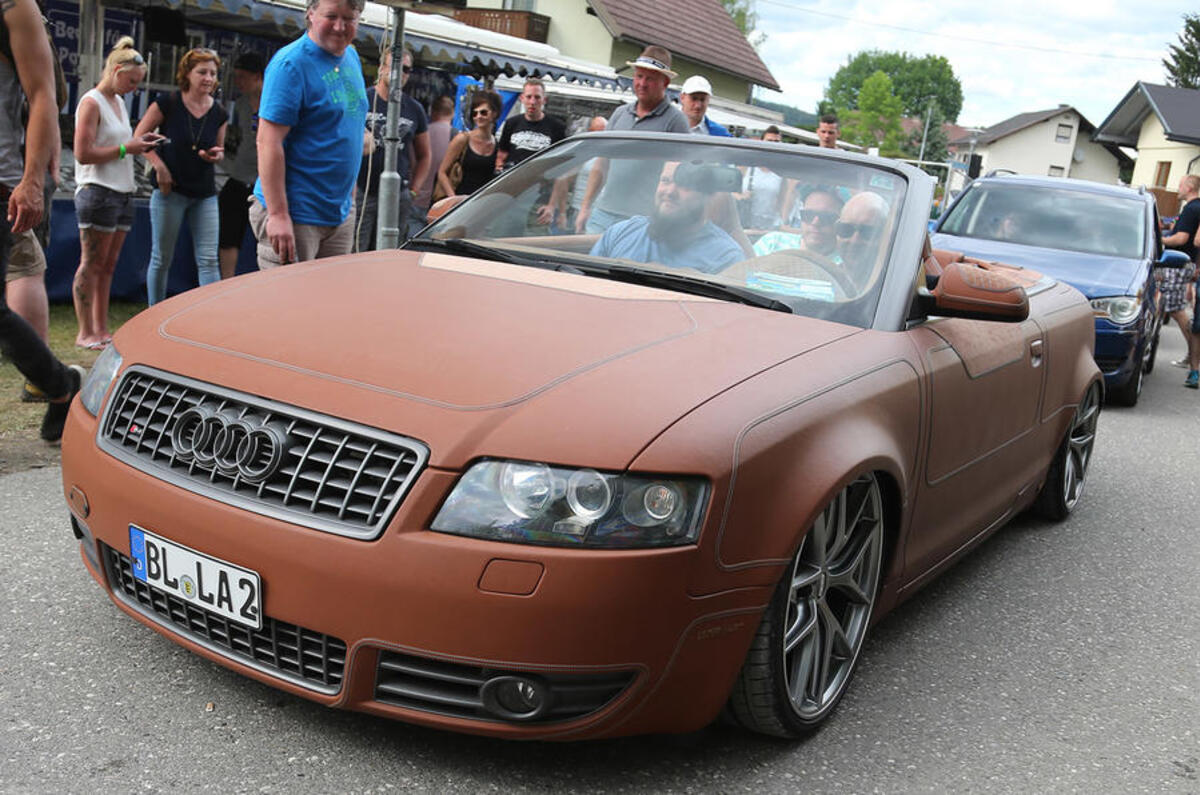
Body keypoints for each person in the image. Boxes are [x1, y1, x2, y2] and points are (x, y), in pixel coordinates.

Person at [0, 0, 83, 441]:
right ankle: (57, 384)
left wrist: (31, 180)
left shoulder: (15, 6)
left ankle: (57, 384)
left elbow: (43, 95)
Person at [250, 0, 369, 268]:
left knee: (328, 307)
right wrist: (278, 214)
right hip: (296, 214)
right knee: (288, 307)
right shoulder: (290, 64)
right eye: (331, 16)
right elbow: (268, 142)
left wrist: (349, 196)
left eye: (349, 18)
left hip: (338, 214)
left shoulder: (351, 57)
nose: (339, 27)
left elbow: (348, 124)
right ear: (310, 13)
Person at [72, 37, 158, 346]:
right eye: (132, 81)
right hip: (98, 191)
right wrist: (127, 148)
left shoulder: (119, 102)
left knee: (107, 265)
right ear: (117, 70)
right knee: (91, 262)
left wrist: (137, 144)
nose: (135, 87)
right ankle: (85, 332)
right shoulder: (91, 101)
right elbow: (83, 153)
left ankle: (100, 328)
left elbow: (120, 144)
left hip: (122, 191)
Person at [135, 48, 228, 304]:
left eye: (213, 73)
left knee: (208, 259)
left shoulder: (219, 112)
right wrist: (159, 166)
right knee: (162, 258)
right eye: (202, 72)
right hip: (170, 191)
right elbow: (138, 139)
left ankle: (210, 317)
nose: (208, 78)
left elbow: (219, 150)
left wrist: (214, 156)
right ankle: (154, 311)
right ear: (187, 74)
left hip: (205, 193)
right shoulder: (168, 103)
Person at [576, 45, 690, 234]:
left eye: (650, 79)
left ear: (665, 83)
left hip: (642, 219)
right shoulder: (620, 113)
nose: (642, 83)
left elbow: (679, 174)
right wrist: (586, 206)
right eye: (639, 76)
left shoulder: (675, 121)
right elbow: (602, 163)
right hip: (603, 212)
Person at [589, 161, 742, 273]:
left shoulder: (725, 257)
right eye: (665, 181)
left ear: (707, 195)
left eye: (685, 184)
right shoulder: (621, 233)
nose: (670, 192)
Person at [356, 47, 429, 251]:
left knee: (390, 251)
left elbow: (425, 155)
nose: (401, 74)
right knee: (357, 249)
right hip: (363, 189)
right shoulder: (363, 99)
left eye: (406, 69)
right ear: (381, 68)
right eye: (395, 67)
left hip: (398, 193)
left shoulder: (414, 108)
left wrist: (414, 190)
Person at [217, 51, 265, 279]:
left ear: (258, 76)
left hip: (264, 180)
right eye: (236, 77)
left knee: (266, 238)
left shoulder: (274, 99)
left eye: (243, 77)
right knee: (228, 235)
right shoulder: (242, 103)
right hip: (239, 177)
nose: (239, 82)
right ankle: (227, 281)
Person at [1162, 174, 1200, 387]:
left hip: (1178, 263)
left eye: (1179, 184)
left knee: (1176, 309)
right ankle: (1192, 356)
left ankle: (1192, 355)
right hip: (1187, 264)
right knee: (1176, 308)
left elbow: (1182, 238)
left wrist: (1160, 240)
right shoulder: (1195, 208)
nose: (1177, 189)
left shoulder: (1191, 209)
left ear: (1188, 187)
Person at [437, 90, 500, 199]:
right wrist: (453, 199)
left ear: (494, 114)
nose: (478, 116)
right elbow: (442, 172)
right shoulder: (462, 139)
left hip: (480, 203)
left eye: (483, 112)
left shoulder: (496, 144)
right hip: (458, 202)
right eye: (475, 113)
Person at [753, 185, 844, 260]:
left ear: (841, 221)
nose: (815, 222)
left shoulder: (846, 262)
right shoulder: (772, 243)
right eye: (808, 215)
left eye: (826, 217)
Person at [495, 78, 566, 172]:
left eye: (537, 97)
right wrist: (499, 166)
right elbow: (502, 152)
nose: (532, 102)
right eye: (529, 97)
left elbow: (559, 158)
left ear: (544, 100)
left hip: (539, 179)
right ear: (522, 98)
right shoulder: (511, 123)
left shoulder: (557, 126)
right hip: (512, 178)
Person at [413, 95, 454, 225]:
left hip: (417, 197)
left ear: (433, 111)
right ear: (452, 113)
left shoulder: (421, 134)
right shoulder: (458, 136)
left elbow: (412, 163)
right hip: (442, 202)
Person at [835, 190, 889, 287]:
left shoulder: (895, 284)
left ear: (885, 237)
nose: (854, 241)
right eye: (846, 229)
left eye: (867, 232)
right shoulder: (824, 277)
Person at [736, 125, 786, 230]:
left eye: (776, 142)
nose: (772, 145)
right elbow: (729, 191)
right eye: (769, 141)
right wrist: (740, 197)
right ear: (762, 142)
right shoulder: (746, 166)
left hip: (768, 228)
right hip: (745, 225)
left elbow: (783, 202)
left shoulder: (782, 173)